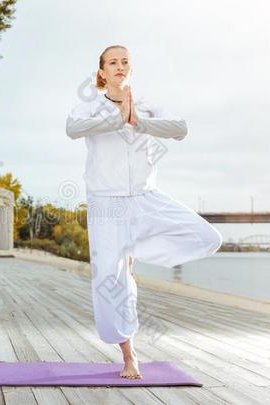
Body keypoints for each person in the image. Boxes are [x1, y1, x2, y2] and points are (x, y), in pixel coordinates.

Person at [65, 45, 223, 379]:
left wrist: (136, 119)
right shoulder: (90, 106)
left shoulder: (147, 105)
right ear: (102, 72)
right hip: (106, 203)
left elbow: (180, 128)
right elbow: (73, 129)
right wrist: (116, 118)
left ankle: (132, 249)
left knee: (208, 236)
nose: (119, 66)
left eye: (125, 62)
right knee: (111, 282)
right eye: (113, 62)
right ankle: (129, 356)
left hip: (145, 197)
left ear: (129, 69)